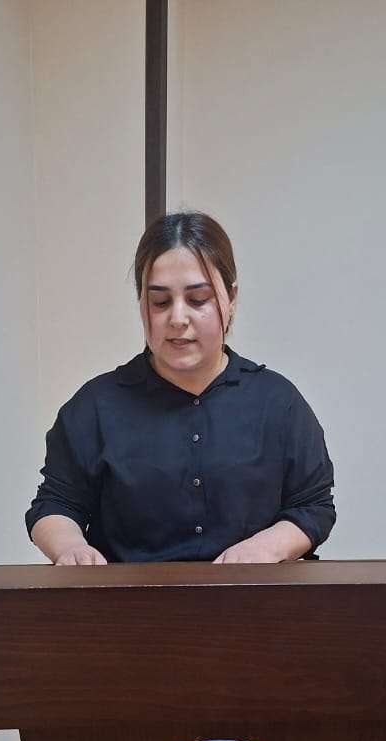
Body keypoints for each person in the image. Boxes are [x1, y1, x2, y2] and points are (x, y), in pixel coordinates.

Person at [24, 211, 335, 565]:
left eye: (198, 299)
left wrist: (267, 548)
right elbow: (55, 504)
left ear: (231, 298)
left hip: (249, 596)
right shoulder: (95, 406)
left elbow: (313, 505)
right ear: (141, 303)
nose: (177, 319)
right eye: (160, 302)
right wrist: (70, 548)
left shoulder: (278, 402)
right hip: (127, 598)